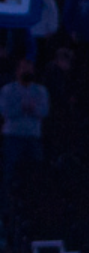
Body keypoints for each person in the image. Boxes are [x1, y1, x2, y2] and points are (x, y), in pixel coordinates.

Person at [0, 59, 48, 193]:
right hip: (13, 135)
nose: (27, 71)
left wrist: (32, 109)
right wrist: (22, 108)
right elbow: (5, 111)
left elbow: (44, 111)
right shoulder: (8, 90)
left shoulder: (40, 90)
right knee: (10, 171)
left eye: (29, 69)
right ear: (17, 71)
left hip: (33, 135)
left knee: (34, 171)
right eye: (24, 68)